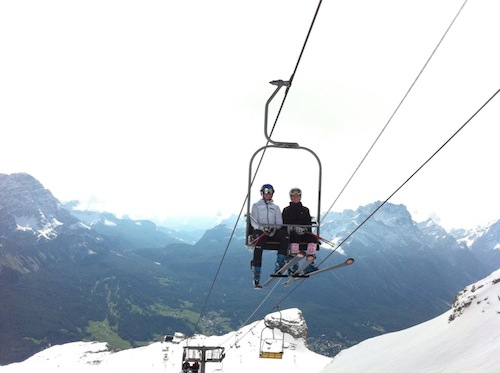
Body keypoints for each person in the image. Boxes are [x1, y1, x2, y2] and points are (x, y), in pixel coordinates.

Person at [250, 183, 289, 288]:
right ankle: (256, 274)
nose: (268, 194)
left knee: (285, 236)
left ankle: (279, 264)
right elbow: (253, 221)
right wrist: (263, 228)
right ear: (262, 193)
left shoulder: (275, 207)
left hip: (272, 230)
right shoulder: (256, 206)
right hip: (260, 230)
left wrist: (273, 228)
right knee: (259, 244)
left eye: (270, 192)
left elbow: (279, 222)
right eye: (266, 191)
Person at [282, 187, 318, 274]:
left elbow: (308, 224)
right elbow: (284, 224)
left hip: (302, 233)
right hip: (292, 233)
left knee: (312, 238)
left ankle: (310, 262)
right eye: (294, 196)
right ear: (291, 197)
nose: (296, 198)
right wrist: (293, 228)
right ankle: (294, 262)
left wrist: (305, 230)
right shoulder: (287, 210)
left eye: (297, 196)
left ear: (300, 197)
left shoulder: (305, 210)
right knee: (295, 237)